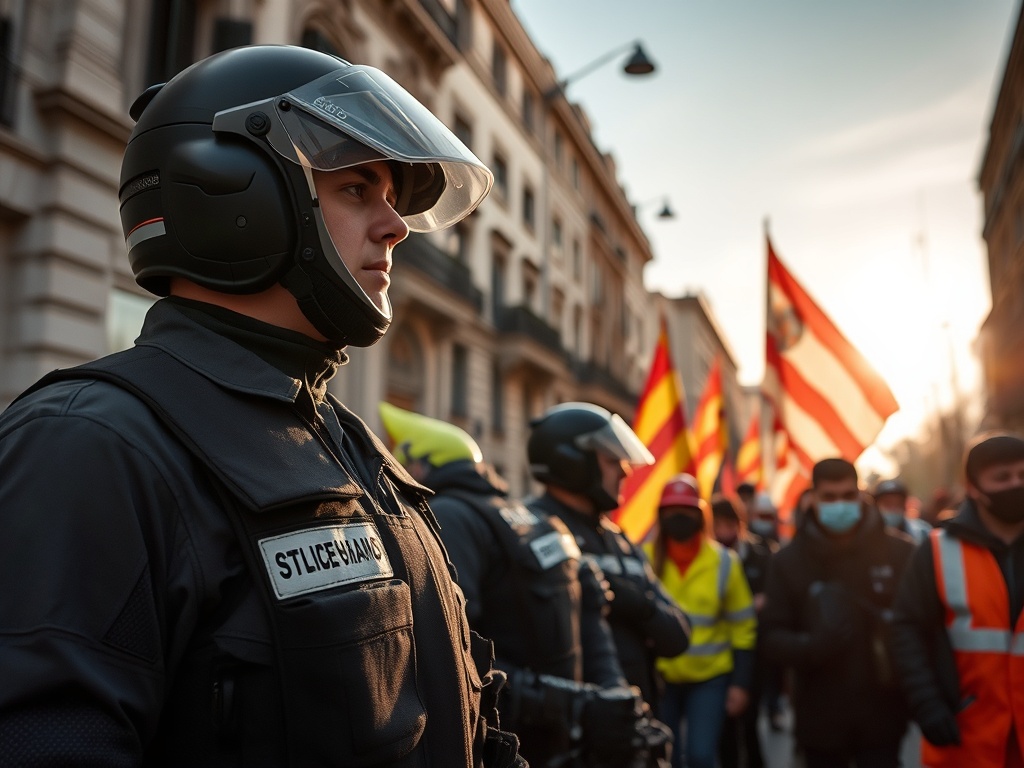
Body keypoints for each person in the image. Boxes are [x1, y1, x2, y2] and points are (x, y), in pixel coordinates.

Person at [0, 44, 525, 767]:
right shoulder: (89, 448)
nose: (394, 223)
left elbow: (461, 704)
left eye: (392, 196)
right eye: (357, 189)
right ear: (236, 191)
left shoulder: (352, 445)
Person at [379, 402, 648, 768]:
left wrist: (595, 704)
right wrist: (606, 698)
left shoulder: (450, 518)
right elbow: (592, 617)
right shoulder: (534, 518)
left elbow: (455, 652)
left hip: (518, 742)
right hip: (558, 738)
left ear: (418, 467)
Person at [525, 402, 691, 765]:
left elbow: (679, 636)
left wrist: (639, 606)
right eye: (612, 460)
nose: (626, 470)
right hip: (575, 741)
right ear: (572, 461)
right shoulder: (529, 533)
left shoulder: (622, 541)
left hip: (636, 729)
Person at [760, 458, 915, 768]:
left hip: (883, 714)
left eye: (847, 495)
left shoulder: (900, 553)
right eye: (829, 497)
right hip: (820, 720)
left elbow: (920, 628)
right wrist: (812, 647)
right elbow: (770, 637)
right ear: (813, 499)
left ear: (860, 495)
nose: (839, 505)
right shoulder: (788, 562)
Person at [891, 432, 1024, 768]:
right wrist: (927, 704)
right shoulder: (937, 550)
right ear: (973, 487)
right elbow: (907, 631)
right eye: (1002, 477)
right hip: (966, 735)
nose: (1016, 484)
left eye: (1023, 475)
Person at [645, 474, 757, 768]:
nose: (679, 518)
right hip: (661, 680)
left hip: (711, 679)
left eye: (686, 510)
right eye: (672, 511)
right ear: (660, 515)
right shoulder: (643, 560)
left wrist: (740, 684)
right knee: (666, 757)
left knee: (701, 756)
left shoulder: (724, 562)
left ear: (700, 514)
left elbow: (744, 627)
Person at [712, 496, 776, 768]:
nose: (724, 531)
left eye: (729, 524)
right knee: (724, 725)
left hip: (755, 650)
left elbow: (775, 596)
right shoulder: (709, 558)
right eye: (718, 525)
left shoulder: (762, 554)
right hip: (719, 650)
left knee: (749, 721)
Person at [873, 478, 931, 544]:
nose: (893, 509)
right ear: (876, 506)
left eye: (898, 504)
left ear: (904, 505)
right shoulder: (867, 533)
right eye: (887, 504)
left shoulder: (922, 532)